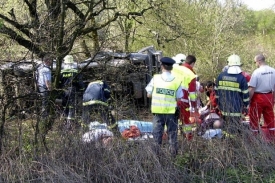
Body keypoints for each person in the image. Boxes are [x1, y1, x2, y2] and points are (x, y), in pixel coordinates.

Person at [145, 57, 183, 156]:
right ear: (171, 68)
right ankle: (173, 157)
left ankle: (156, 158)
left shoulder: (156, 78)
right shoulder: (177, 81)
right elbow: (179, 98)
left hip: (158, 113)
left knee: (157, 136)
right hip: (171, 113)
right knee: (172, 136)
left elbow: (148, 94)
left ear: (162, 66)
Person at [215, 54, 249, 134]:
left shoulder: (220, 76)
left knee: (226, 125)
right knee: (233, 127)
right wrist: (246, 105)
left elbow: (217, 93)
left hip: (223, 107)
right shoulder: (241, 78)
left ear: (229, 63)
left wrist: (218, 103)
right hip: (236, 108)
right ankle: (232, 143)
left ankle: (225, 141)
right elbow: (245, 95)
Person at [249, 54, 275, 142]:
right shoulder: (273, 70)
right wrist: (273, 99)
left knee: (254, 118)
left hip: (258, 97)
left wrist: (248, 100)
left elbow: (252, 88)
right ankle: (271, 139)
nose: (255, 63)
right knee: (270, 118)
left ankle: (254, 140)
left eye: (255, 62)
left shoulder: (257, 72)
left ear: (259, 61)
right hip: (269, 96)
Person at [172, 55, 198, 140]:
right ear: (193, 63)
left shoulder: (175, 69)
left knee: (171, 119)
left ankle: (171, 136)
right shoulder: (191, 74)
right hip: (183, 100)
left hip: (171, 98)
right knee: (186, 121)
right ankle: (189, 137)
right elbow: (192, 93)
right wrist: (194, 105)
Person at [60, 55, 85, 129]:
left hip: (63, 91)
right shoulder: (75, 71)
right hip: (72, 91)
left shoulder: (62, 71)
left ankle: (65, 123)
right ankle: (70, 125)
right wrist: (83, 90)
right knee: (72, 107)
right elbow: (80, 82)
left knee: (65, 106)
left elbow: (59, 82)